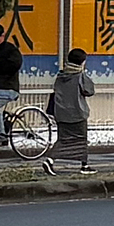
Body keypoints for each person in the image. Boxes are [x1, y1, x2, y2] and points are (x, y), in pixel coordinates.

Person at [42, 48, 97, 177]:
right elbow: (89, 91)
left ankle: (52, 160)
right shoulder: (80, 76)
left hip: (61, 113)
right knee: (81, 139)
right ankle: (83, 165)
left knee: (63, 139)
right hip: (77, 113)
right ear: (82, 62)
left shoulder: (60, 75)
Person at [0, 23, 23, 148]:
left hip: (8, 87)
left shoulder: (11, 50)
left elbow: (15, 65)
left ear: (3, 36)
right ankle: (0, 125)